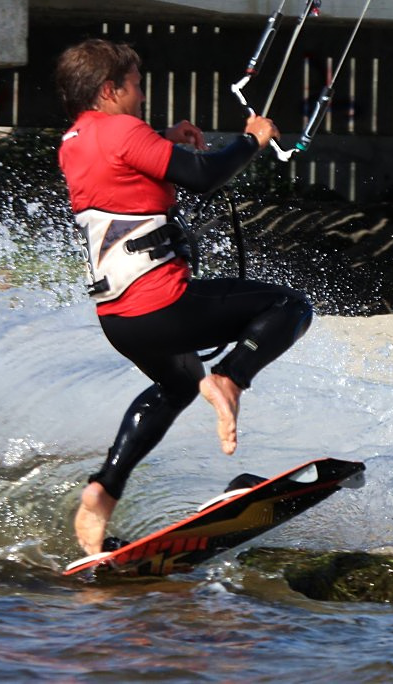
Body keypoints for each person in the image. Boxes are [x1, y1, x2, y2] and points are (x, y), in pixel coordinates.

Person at [55, 39, 313, 555]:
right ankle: (230, 379)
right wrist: (252, 140)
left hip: (120, 320)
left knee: (174, 386)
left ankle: (103, 490)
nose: (141, 94)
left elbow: (126, 165)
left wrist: (165, 141)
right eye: (135, 84)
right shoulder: (124, 130)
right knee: (289, 306)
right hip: (163, 305)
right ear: (110, 89)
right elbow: (204, 176)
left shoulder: (76, 139)